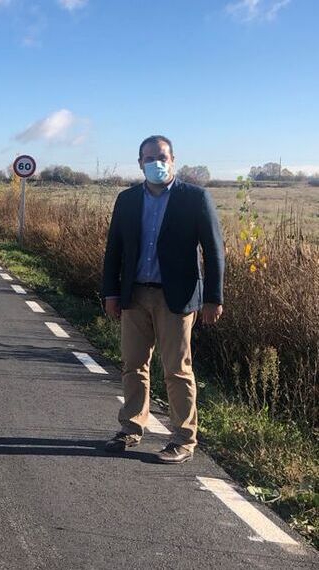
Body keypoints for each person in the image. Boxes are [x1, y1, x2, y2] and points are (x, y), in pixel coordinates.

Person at [101, 135, 225, 464]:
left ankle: (183, 438)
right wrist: (110, 292)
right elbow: (114, 249)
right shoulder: (127, 200)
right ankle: (130, 428)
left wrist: (213, 297)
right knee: (133, 365)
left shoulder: (195, 198)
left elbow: (214, 251)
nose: (157, 162)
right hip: (135, 294)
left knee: (177, 369)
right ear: (140, 162)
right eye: (150, 158)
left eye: (163, 156)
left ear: (173, 159)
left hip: (178, 298)